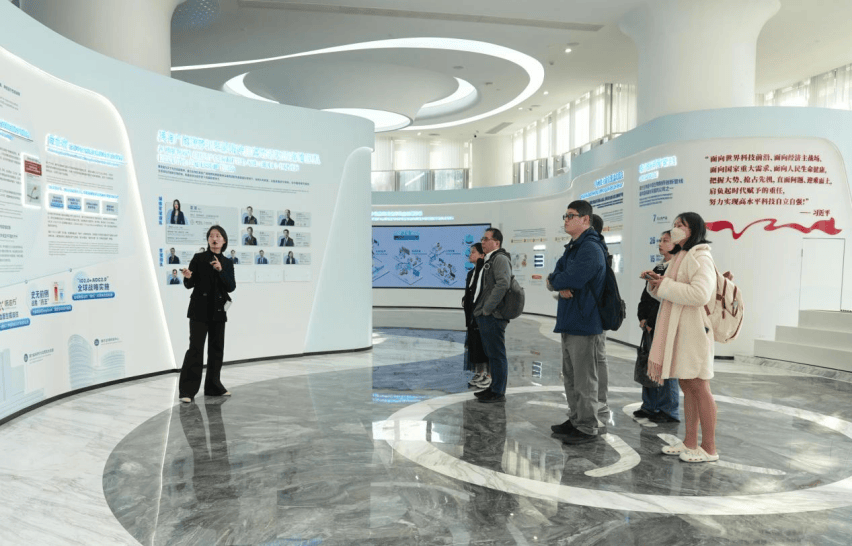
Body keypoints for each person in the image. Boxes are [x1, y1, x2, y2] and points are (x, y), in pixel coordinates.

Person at [641, 212, 718, 463]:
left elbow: (700, 294)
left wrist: (665, 285)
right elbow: (672, 291)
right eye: (674, 225)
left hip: (694, 331)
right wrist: (658, 284)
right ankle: (690, 441)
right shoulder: (681, 256)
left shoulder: (700, 257)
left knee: (699, 387)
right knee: (687, 385)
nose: (675, 229)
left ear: (693, 230)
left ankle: (709, 448)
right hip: (682, 331)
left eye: (680, 225)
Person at [547, 200, 607, 444]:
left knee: (585, 380)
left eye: (571, 216)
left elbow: (573, 278)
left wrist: (559, 281)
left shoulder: (590, 248)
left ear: (585, 219)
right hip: (571, 320)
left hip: (584, 322)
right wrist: (558, 282)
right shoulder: (573, 247)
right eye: (565, 215)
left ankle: (587, 426)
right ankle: (575, 419)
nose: (566, 220)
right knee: (571, 377)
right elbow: (556, 275)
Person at [178, 225, 236, 403]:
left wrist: (220, 270)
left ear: (224, 240)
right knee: (195, 349)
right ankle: (187, 391)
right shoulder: (199, 258)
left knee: (216, 349)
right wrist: (188, 277)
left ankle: (213, 386)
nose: (214, 239)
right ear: (208, 240)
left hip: (218, 310)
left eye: (218, 236)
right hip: (199, 310)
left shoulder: (227, 263)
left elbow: (231, 287)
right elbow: (190, 284)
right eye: (211, 236)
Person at [635, 231, 680, 423]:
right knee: (649, 364)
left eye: (665, 240)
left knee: (666, 368)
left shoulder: (677, 269)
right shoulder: (659, 267)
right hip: (652, 325)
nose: (660, 243)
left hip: (666, 325)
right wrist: (643, 317)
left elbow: (670, 299)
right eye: (660, 240)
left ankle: (668, 410)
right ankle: (650, 405)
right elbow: (646, 296)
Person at [472, 228, 512, 404]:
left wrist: (487, 308)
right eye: (482, 238)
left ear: (497, 242)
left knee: (497, 354)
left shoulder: (500, 259)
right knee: (492, 354)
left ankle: (498, 391)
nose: (483, 241)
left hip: (493, 315)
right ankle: (493, 387)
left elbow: (503, 284)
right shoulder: (491, 259)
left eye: (486, 239)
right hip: (487, 315)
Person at [590, 214, 610, 416]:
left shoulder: (597, 249)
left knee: (599, 356)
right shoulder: (596, 247)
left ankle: (601, 400)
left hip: (597, 311)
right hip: (593, 311)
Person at [462, 243, 489, 389]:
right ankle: (479, 372)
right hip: (471, 316)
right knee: (474, 344)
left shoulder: (484, 271)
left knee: (483, 344)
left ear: (482, 255)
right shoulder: (471, 273)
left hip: (480, 314)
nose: (470, 255)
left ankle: (488, 374)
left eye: (474, 252)